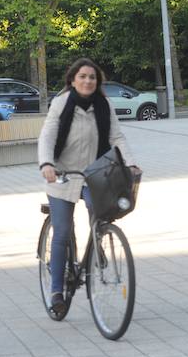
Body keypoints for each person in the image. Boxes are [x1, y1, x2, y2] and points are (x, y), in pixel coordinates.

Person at [37, 58, 139, 317]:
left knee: (101, 212)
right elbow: (47, 135)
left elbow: (116, 137)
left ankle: (97, 243)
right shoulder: (61, 103)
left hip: (95, 173)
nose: (87, 81)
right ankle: (57, 292)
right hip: (62, 173)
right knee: (62, 231)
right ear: (73, 80)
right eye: (82, 76)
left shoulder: (103, 105)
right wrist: (46, 163)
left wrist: (130, 164)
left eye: (92, 77)